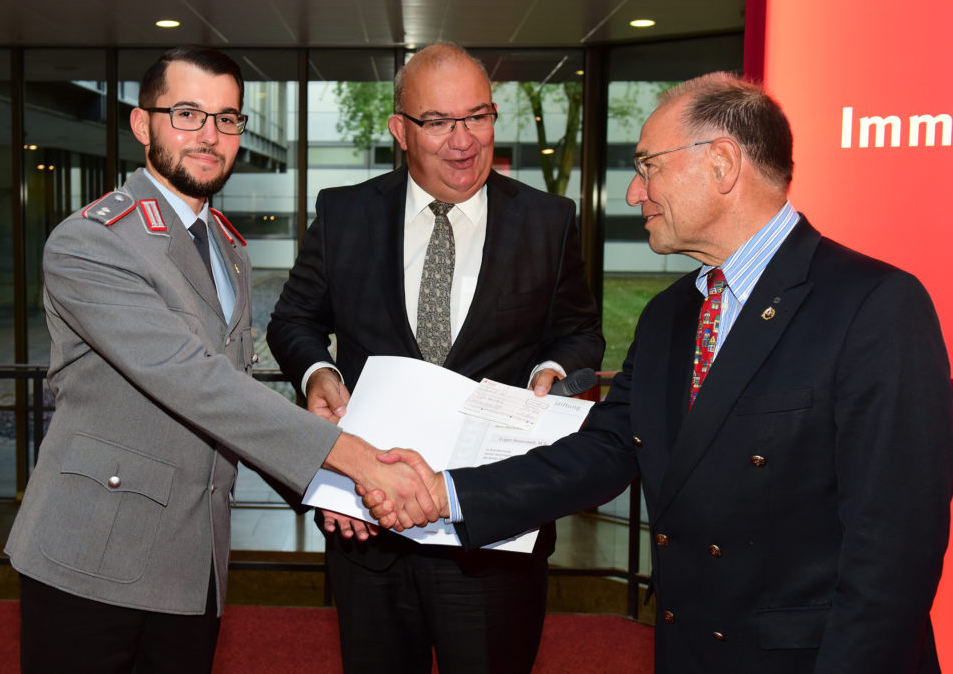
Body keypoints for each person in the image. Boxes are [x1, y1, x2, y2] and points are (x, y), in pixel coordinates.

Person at [368, 72, 953, 673]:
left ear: (722, 164)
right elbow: (602, 451)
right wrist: (446, 492)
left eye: (648, 166)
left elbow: (894, 556)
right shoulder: (669, 316)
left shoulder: (875, 306)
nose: (632, 192)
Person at [4, 45, 438, 674]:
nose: (210, 136)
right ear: (141, 124)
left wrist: (330, 490)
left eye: (227, 118)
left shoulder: (227, 248)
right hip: (91, 558)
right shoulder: (91, 242)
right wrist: (355, 464)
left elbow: (227, 405)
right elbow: (194, 381)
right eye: (187, 114)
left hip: (192, 559)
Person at [268, 42, 603, 673]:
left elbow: (579, 333)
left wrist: (549, 374)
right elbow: (295, 321)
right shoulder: (345, 214)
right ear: (400, 130)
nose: (463, 141)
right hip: (368, 522)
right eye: (438, 122)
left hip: (492, 529)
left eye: (477, 117)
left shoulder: (548, 220)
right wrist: (319, 375)